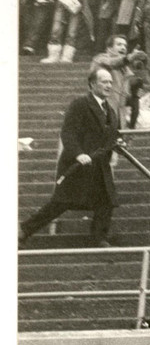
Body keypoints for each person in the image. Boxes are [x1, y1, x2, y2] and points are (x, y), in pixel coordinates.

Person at [19, 68, 121, 249]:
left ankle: (98, 238)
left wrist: (119, 143)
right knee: (62, 202)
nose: (109, 85)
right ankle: (24, 230)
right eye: (104, 81)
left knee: (106, 200)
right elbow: (68, 132)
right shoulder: (80, 104)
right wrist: (78, 153)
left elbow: (112, 136)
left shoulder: (110, 110)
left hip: (99, 165)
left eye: (111, 82)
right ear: (92, 84)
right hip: (77, 164)